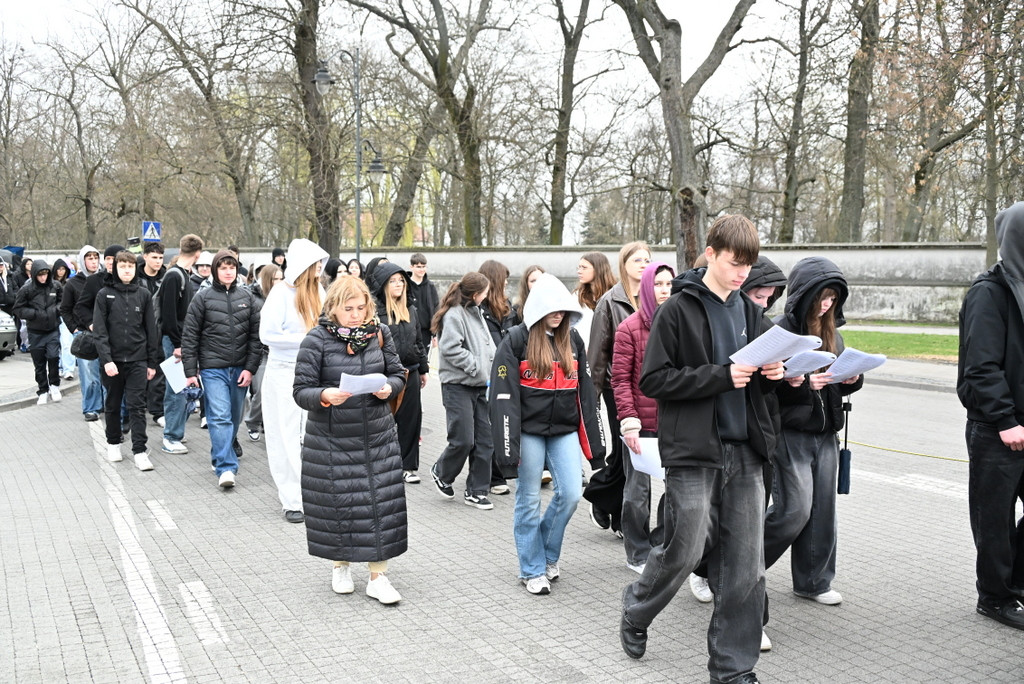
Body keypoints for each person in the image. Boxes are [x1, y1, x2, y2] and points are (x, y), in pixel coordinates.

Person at [619, 215, 784, 684]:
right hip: (693, 451)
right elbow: (654, 380)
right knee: (687, 548)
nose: (741, 275)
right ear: (710, 253)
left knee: (746, 565)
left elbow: (760, 380)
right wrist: (718, 376)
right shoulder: (677, 309)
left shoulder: (751, 313)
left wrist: (774, 376)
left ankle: (733, 668)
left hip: (747, 453)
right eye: (735, 264)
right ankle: (637, 607)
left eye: (748, 267)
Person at [292, 275, 407, 604]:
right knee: (339, 504)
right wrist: (325, 394)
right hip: (332, 439)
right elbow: (301, 391)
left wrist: (390, 387)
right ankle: (340, 565)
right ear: (333, 308)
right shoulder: (316, 340)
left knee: (380, 505)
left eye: (362, 307)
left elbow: (398, 373)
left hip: (377, 435)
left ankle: (378, 576)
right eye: (349, 309)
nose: (356, 315)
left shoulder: (380, 334)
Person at [491, 273, 605, 595]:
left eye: (564, 309)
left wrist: (595, 449)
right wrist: (508, 452)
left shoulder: (574, 342)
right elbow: (502, 399)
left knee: (570, 494)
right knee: (527, 500)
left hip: (563, 431)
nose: (559, 314)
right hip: (528, 431)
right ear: (538, 307)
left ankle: (545, 555)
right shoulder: (515, 340)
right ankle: (532, 569)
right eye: (553, 308)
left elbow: (585, 394)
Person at [763, 256, 862, 612]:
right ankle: (730, 566)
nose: (826, 305)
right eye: (821, 297)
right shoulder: (778, 331)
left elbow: (840, 384)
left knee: (822, 510)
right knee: (794, 511)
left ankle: (813, 581)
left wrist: (851, 378)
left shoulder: (832, 331)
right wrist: (804, 384)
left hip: (825, 434)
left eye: (833, 299)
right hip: (790, 433)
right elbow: (765, 389)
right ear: (803, 294)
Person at [958, 201, 1024, 630]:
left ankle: (1014, 583)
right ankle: (995, 597)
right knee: (994, 519)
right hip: (999, 429)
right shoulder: (990, 292)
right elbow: (980, 367)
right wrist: (1005, 421)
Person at [610, 261, 675, 576]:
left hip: (675, 425)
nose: (664, 290)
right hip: (639, 425)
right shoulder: (629, 328)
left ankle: (661, 545)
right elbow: (620, 380)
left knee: (676, 491)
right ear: (646, 288)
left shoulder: (680, 325)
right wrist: (629, 421)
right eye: (658, 284)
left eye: (669, 284)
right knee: (637, 494)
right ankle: (636, 552)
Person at [259, 239, 329, 521]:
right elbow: (268, 335)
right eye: (316, 263)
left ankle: (314, 493)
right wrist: (307, 340)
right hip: (282, 372)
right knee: (284, 435)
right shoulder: (279, 293)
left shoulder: (319, 290)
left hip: (313, 372)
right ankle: (292, 499)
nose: (321, 268)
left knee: (310, 435)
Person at [585, 241, 651, 536]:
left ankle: (612, 507)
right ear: (623, 264)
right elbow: (598, 352)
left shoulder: (655, 297)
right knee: (626, 451)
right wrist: (593, 396)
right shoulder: (610, 302)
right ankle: (605, 499)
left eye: (647, 259)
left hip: (650, 389)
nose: (643, 264)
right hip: (618, 387)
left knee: (636, 456)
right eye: (637, 259)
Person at [182, 249, 261, 489]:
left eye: (232, 267)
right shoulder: (202, 298)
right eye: (223, 267)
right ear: (216, 270)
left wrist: (250, 368)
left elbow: (255, 338)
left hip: (239, 369)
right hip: (212, 368)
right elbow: (190, 336)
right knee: (219, 417)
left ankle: (220, 453)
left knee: (234, 418)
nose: (228, 271)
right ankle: (226, 467)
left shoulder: (247, 298)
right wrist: (190, 372)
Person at [430, 272, 497, 509]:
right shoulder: (455, 314)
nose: (487, 296)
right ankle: (441, 471)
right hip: (457, 385)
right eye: (486, 293)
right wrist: (476, 367)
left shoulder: (477, 311)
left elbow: (487, 345)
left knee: (485, 441)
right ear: (477, 294)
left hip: (480, 386)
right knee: (463, 439)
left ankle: (477, 491)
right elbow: (450, 348)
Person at [93, 251, 161, 470]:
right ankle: (113, 443)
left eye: (130, 267)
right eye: (122, 266)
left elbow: (151, 330)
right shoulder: (104, 294)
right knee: (112, 404)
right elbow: (100, 331)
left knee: (137, 406)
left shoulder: (143, 295)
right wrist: (106, 360)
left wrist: (152, 363)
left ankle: (140, 451)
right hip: (112, 362)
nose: (126, 270)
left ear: (135, 269)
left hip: (138, 360)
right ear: (115, 269)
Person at [370, 262, 429, 484]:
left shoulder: (410, 309)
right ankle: (380, 464)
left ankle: (407, 466)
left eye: (401, 280)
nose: (398, 285)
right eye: (393, 281)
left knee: (411, 420)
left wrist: (423, 369)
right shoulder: (375, 312)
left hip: (410, 372)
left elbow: (418, 342)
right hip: (385, 375)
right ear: (384, 285)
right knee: (383, 421)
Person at [159, 234, 204, 455]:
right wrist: (178, 344)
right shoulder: (175, 276)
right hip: (174, 341)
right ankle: (171, 436)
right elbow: (168, 316)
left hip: (179, 339)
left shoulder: (179, 274)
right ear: (198, 254)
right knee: (176, 388)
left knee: (182, 387)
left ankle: (175, 431)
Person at [478, 259, 518, 495]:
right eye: (504, 278)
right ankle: (492, 476)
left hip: (507, 373)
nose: (506, 283)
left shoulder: (509, 307)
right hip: (487, 375)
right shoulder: (478, 310)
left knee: (505, 422)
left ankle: (503, 470)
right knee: (488, 425)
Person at [60, 245, 104, 421]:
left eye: (95, 258)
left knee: (106, 372)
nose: (93, 262)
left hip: (104, 333)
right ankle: (91, 407)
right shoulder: (73, 283)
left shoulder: (104, 279)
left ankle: (108, 405)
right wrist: (74, 328)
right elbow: (65, 309)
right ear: (83, 261)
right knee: (89, 374)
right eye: (89, 258)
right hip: (85, 334)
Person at [14, 259, 64, 404]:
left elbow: (63, 302)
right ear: (35, 274)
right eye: (40, 275)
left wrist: (55, 311)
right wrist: (34, 314)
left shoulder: (56, 286)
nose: (43, 277)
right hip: (35, 331)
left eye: (46, 274)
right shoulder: (27, 289)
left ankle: (54, 385)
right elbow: (18, 309)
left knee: (54, 357)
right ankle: (43, 390)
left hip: (53, 328)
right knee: (39, 363)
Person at [244, 263, 281, 444]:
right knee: (261, 390)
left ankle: (269, 424)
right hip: (260, 352)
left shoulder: (283, 297)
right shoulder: (253, 298)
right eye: (276, 279)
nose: (280, 282)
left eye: (281, 278)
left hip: (278, 350)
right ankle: (252, 422)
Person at [137, 242, 167, 428]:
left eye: (160, 257)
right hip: (139, 330)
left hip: (161, 329)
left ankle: (157, 411)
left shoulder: (166, 278)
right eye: (154, 257)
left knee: (159, 369)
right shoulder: (136, 277)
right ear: (145, 256)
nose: (157, 261)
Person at [574, 251, 615, 346]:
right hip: (584, 352)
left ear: (598, 269)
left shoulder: (616, 295)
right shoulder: (577, 296)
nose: (579, 271)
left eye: (584, 267)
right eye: (579, 267)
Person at [407, 253, 438, 354]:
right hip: (409, 330)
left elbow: (436, 310)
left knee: (424, 361)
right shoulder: (406, 286)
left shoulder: (430, 286)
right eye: (418, 267)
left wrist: (435, 334)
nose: (421, 269)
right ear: (411, 267)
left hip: (425, 332)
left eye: (424, 266)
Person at [51, 258, 75, 379]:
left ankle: (68, 369)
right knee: (55, 343)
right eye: (59, 269)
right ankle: (59, 367)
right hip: (52, 316)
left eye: (63, 269)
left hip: (66, 316)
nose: (61, 272)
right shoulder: (50, 284)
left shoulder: (69, 283)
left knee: (66, 343)